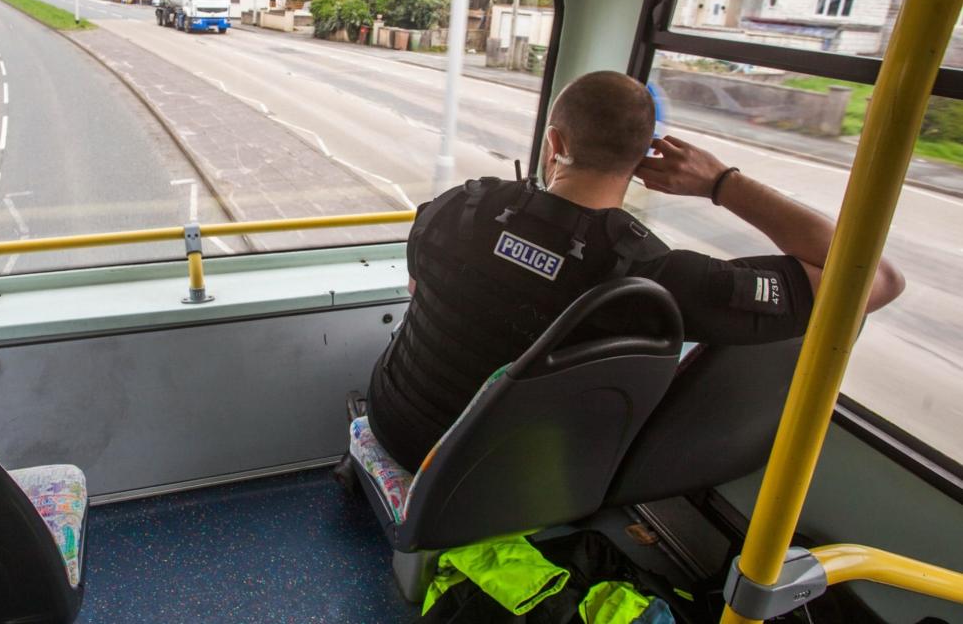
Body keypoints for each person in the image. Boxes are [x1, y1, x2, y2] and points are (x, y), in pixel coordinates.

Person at [366, 70, 904, 472]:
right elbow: (879, 279)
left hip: (394, 420)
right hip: (486, 474)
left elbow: (419, 290)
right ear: (643, 161)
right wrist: (722, 184)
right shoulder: (657, 280)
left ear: (555, 143)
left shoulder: (461, 204)